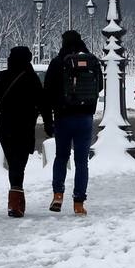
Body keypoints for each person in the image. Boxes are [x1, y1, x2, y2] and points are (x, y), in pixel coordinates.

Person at [0, 46, 46, 218]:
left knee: (14, 163)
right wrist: (49, 124)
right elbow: (43, 104)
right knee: (19, 165)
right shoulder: (31, 78)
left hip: (6, 128)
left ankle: (16, 202)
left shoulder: (2, 77)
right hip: (25, 128)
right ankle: (16, 203)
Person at [42, 31, 104, 215]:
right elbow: (99, 86)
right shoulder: (92, 61)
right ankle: (79, 203)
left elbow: (48, 92)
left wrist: (48, 119)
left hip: (62, 117)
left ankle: (58, 195)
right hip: (84, 118)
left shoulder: (57, 62)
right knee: (81, 162)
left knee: (61, 157)